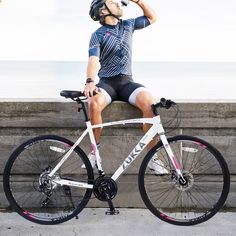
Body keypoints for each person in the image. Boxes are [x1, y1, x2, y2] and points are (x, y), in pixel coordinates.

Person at [82, 0, 168, 174]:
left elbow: (152, 17)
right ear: (102, 10)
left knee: (149, 103)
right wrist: (90, 80)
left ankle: (152, 158)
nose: (119, 4)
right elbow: (93, 60)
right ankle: (94, 153)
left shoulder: (129, 25)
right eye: (113, 2)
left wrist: (139, 1)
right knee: (93, 103)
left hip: (127, 83)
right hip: (107, 84)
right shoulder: (98, 35)